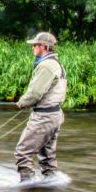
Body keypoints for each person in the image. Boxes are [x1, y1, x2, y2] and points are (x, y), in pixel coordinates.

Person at [14, 32, 67, 182]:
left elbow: (35, 93)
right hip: (54, 115)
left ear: (44, 46)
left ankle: (28, 186)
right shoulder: (55, 64)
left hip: (44, 117)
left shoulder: (46, 66)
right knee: (47, 156)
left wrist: (21, 103)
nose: (33, 48)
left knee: (22, 152)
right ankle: (51, 184)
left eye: (35, 45)